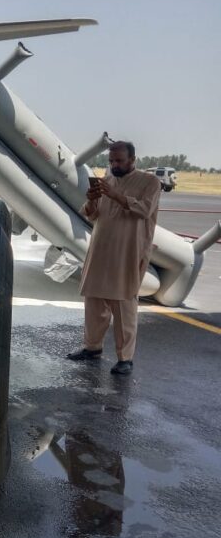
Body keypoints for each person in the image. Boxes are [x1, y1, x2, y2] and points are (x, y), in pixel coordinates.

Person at [66, 141, 161, 375]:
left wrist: (116, 195)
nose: (114, 165)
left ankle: (125, 358)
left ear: (132, 160)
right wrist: (91, 198)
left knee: (123, 305)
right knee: (94, 300)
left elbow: (144, 211)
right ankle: (92, 347)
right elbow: (92, 214)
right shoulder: (106, 181)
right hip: (100, 250)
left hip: (128, 252)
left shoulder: (150, 182)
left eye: (119, 161)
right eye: (111, 161)